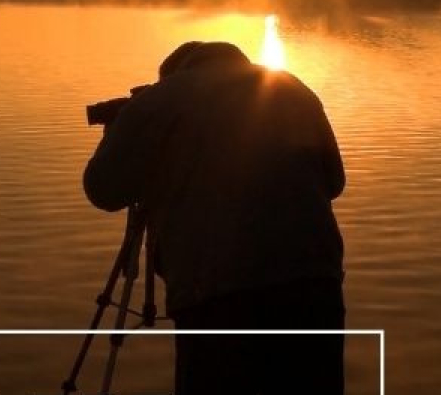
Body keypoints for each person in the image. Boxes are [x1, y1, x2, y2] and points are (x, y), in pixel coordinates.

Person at [83, 41, 347, 394]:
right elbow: (334, 182)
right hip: (314, 286)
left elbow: (102, 189)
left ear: (171, 74)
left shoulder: (158, 99)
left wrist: (119, 132)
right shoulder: (291, 88)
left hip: (215, 295)